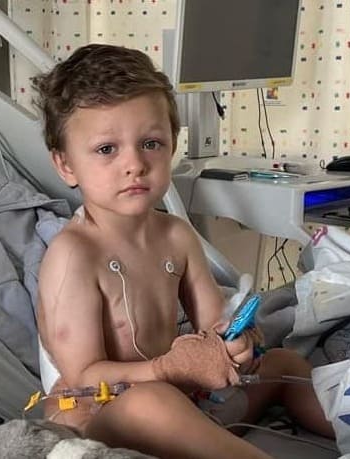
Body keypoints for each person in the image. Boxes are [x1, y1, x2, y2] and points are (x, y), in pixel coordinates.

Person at [33, 43, 334, 459]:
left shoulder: (177, 235)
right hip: (100, 417)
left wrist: (235, 347)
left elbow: (214, 328)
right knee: (150, 402)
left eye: (151, 143)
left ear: (172, 144)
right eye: (107, 149)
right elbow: (84, 376)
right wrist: (167, 370)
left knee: (283, 365)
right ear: (66, 165)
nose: (135, 164)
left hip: (184, 400)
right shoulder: (74, 254)